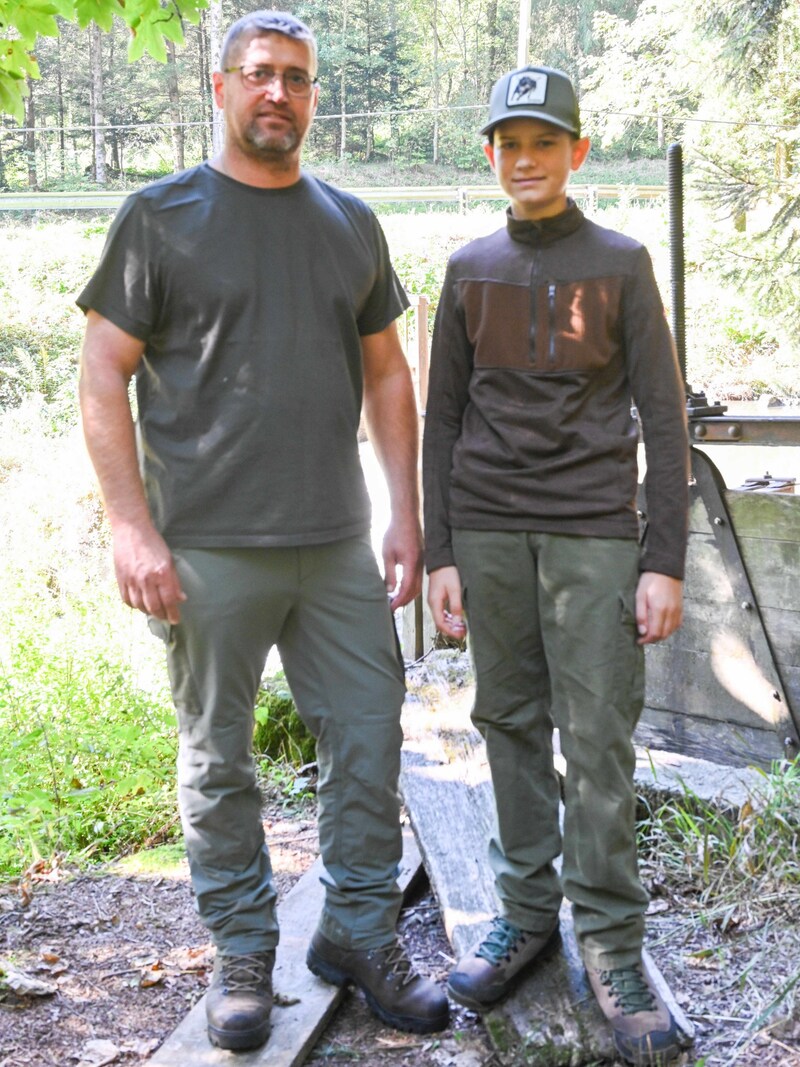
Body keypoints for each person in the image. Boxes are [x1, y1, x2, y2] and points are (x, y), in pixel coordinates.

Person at [77, 10, 449, 1053]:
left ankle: (357, 933)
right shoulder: (159, 218)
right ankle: (244, 950)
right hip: (203, 546)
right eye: (257, 74)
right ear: (220, 88)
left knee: (369, 737)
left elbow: (385, 370)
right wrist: (129, 525)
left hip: (334, 540)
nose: (276, 92)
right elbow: (103, 369)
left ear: (314, 94)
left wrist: (404, 514)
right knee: (217, 756)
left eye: (295, 77)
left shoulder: (349, 222)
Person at [422, 64, 691, 1067]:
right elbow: (441, 414)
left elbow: (663, 421)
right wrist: (441, 547)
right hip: (487, 531)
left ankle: (612, 943)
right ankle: (525, 910)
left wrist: (658, 557)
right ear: (488, 154)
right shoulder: (467, 266)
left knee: (599, 732)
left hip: (590, 533)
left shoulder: (619, 264)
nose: (524, 160)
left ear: (576, 152)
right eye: (507, 143)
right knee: (505, 719)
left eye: (543, 142)